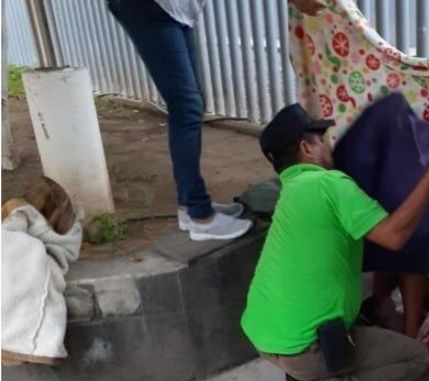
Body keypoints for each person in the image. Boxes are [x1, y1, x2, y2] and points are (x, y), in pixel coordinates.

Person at [241, 104, 429, 381]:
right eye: (322, 139)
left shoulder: (291, 191)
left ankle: (302, 371)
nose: (330, 146)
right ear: (306, 148)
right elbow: (394, 237)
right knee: (413, 358)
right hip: (303, 347)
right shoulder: (330, 185)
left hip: (262, 335)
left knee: (360, 315)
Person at [107, 0, 326, 241]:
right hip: (150, 7)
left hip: (175, 10)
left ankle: (188, 207)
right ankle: (200, 216)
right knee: (187, 106)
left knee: (192, 104)